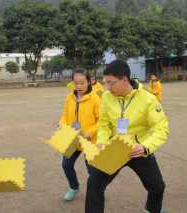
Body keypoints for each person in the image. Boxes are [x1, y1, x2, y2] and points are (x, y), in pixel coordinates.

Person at [85, 60, 169, 213]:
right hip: (115, 149)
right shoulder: (106, 97)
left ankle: (151, 209)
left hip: (138, 150)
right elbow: (103, 124)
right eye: (105, 83)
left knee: (157, 187)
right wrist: (102, 142)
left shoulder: (148, 99)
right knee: (94, 183)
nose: (107, 88)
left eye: (111, 83)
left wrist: (145, 146)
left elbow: (161, 128)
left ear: (124, 79)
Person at [59, 69, 100, 201]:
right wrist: (62, 124)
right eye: (76, 83)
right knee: (66, 164)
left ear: (89, 81)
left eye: (82, 83)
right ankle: (74, 187)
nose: (78, 86)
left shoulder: (95, 99)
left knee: (93, 172)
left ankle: (98, 191)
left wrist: (90, 133)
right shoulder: (69, 97)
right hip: (73, 138)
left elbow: (102, 121)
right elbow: (64, 115)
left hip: (89, 140)